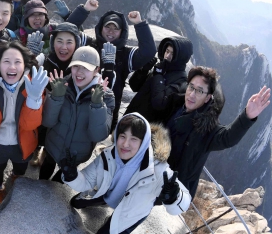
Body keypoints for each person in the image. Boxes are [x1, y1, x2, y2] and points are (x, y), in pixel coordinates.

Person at [62, 113, 191, 234]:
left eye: (134, 139)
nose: (125, 144)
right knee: (75, 202)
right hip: (108, 194)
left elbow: (183, 202)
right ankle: (104, 202)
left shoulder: (157, 169)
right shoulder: (108, 156)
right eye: (122, 136)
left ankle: (112, 221)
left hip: (131, 213)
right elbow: (86, 181)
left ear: (143, 142)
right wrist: (72, 176)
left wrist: (174, 197)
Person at [161, 66, 271, 197]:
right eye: (191, 87)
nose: (192, 94)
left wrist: (247, 116)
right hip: (153, 172)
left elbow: (227, 137)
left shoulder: (206, 128)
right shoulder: (173, 104)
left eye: (199, 91)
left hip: (171, 189)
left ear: (208, 98)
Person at [0, 41, 48, 206]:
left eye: (17, 62)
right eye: (6, 61)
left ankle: (15, 179)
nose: (12, 67)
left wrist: (34, 99)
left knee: (20, 169)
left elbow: (29, 125)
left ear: (25, 65)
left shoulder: (34, 85)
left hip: (22, 142)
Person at [40, 46, 115, 181]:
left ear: (96, 70)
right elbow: (47, 122)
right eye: (76, 66)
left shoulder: (106, 96)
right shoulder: (61, 86)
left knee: (62, 179)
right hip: (53, 146)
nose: (79, 72)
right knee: (46, 169)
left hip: (76, 154)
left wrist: (97, 105)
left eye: (86, 68)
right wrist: (56, 98)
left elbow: (98, 135)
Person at [86, 11, 156, 129]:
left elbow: (149, 51)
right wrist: (82, 11)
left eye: (115, 28)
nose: (111, 31)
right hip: (81, 109)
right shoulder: (90, 45)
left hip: (106, 117)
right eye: (107, 26)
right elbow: (68, 36)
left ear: (122, 32)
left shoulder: (125, 55)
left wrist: (139, 24)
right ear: (100, 27)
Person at [125, 36, 193, 122]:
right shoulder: (161, 68)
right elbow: (134, 86)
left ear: (180, 57)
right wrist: (143, 70)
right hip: (130, 117)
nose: (167, 56)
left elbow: (159, 104)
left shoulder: (181, 81)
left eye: (172, 54)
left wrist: (158, 76)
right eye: (167, 51)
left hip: (147, 128)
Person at [15, 0, 97, 54]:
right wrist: (29, 53)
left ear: (46, 17)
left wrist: (83, 10)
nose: (37, 18)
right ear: (26, 18)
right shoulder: (18, 36)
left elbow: (74, 32)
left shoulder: (53, 30)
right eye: (32, 15)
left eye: (40, 14)